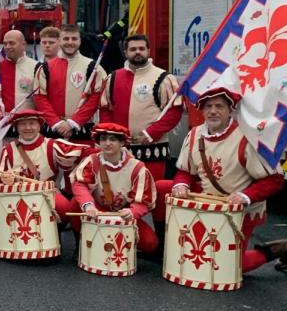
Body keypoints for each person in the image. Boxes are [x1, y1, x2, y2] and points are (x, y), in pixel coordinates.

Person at [159, 87, 287, 272]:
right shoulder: (195, 135)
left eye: (219, 106)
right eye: (208, 106)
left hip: (240, 209)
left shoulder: (246, 138)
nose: (213, 111)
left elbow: (274, 179)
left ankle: (282, 248)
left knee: (230, 267)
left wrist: (245, 196)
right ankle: (161, 248)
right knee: (163, 187)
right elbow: (186, 170)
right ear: (201, 111)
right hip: (208, 203)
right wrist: (181, 184)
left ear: (230, 110)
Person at [99, 34, 182, 181]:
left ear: (148, 51)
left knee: (151, 194)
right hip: (121, 150)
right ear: (126, 52)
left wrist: (151, 133)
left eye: (141, 48)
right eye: (133, 49)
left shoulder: (164, 78)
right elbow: (105, 109)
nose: (138, 52)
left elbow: (174, 112)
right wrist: (114, 135)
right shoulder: (113, 78)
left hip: (153, 150)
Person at [70, 123, 159, 255]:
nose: (107, 143)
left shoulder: (137, 168)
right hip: (97, 211)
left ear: (122, 142)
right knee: (75, 204)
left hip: (123, 215)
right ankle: (82, 244)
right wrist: (88, 205)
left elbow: (144, 200)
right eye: (103, 139)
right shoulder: (92, 161)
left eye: (113, 139)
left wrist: (133, 212)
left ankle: (117, 245)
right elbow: (80, 185)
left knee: (150, 243)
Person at [0, 110, 86, 222]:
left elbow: (85, 151)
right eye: (22, 124)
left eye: (32, 123)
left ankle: (56, 233)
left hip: (47, 194)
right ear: (16, 127)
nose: (27, 128)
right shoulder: (8, 150)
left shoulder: (52, 145)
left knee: (64, 207)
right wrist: (4, 178)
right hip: (18, 195)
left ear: (39, 126)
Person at [33, 24, 106, 143]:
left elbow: (97, 96)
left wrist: (74, 122)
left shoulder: (93, 67)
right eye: (66, 39)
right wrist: (57, 123)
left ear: (80, 41)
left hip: (82, 133)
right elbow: (40, 97)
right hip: (53, 132)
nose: (70, 42)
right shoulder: (45, 68)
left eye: (74, 39)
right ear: (59, 40)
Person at [0, 30, 39, 125]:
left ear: (23, 45)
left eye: (11, 43)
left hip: (28, 126)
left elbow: (41, 99)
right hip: (2, 127)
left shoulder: (37, 67)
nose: (7, 47)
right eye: (5, 44)